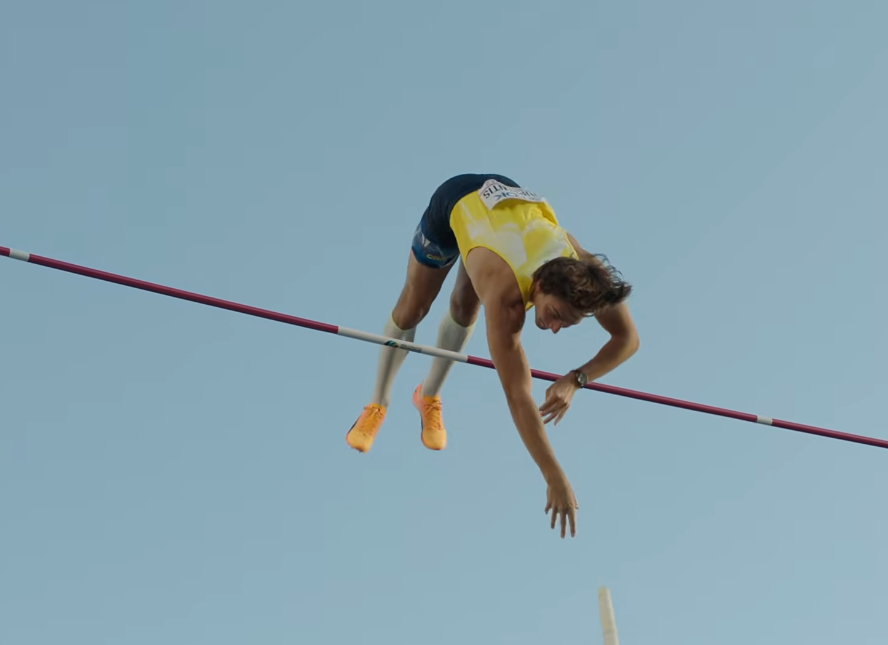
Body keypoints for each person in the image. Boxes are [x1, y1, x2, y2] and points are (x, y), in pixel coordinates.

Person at [346, 173, 640, 538]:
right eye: (557, 315)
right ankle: (377, 403)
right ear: (543, 286)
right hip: (456, 205)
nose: (554, 328)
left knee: (465, 308)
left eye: (566, 324)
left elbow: (627, 339)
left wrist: (577, 379)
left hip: (505, 212)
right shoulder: (507, 299)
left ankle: (428, 396)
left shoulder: (582, 267)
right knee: (414, 308)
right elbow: (518, 396)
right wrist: (555, 477)